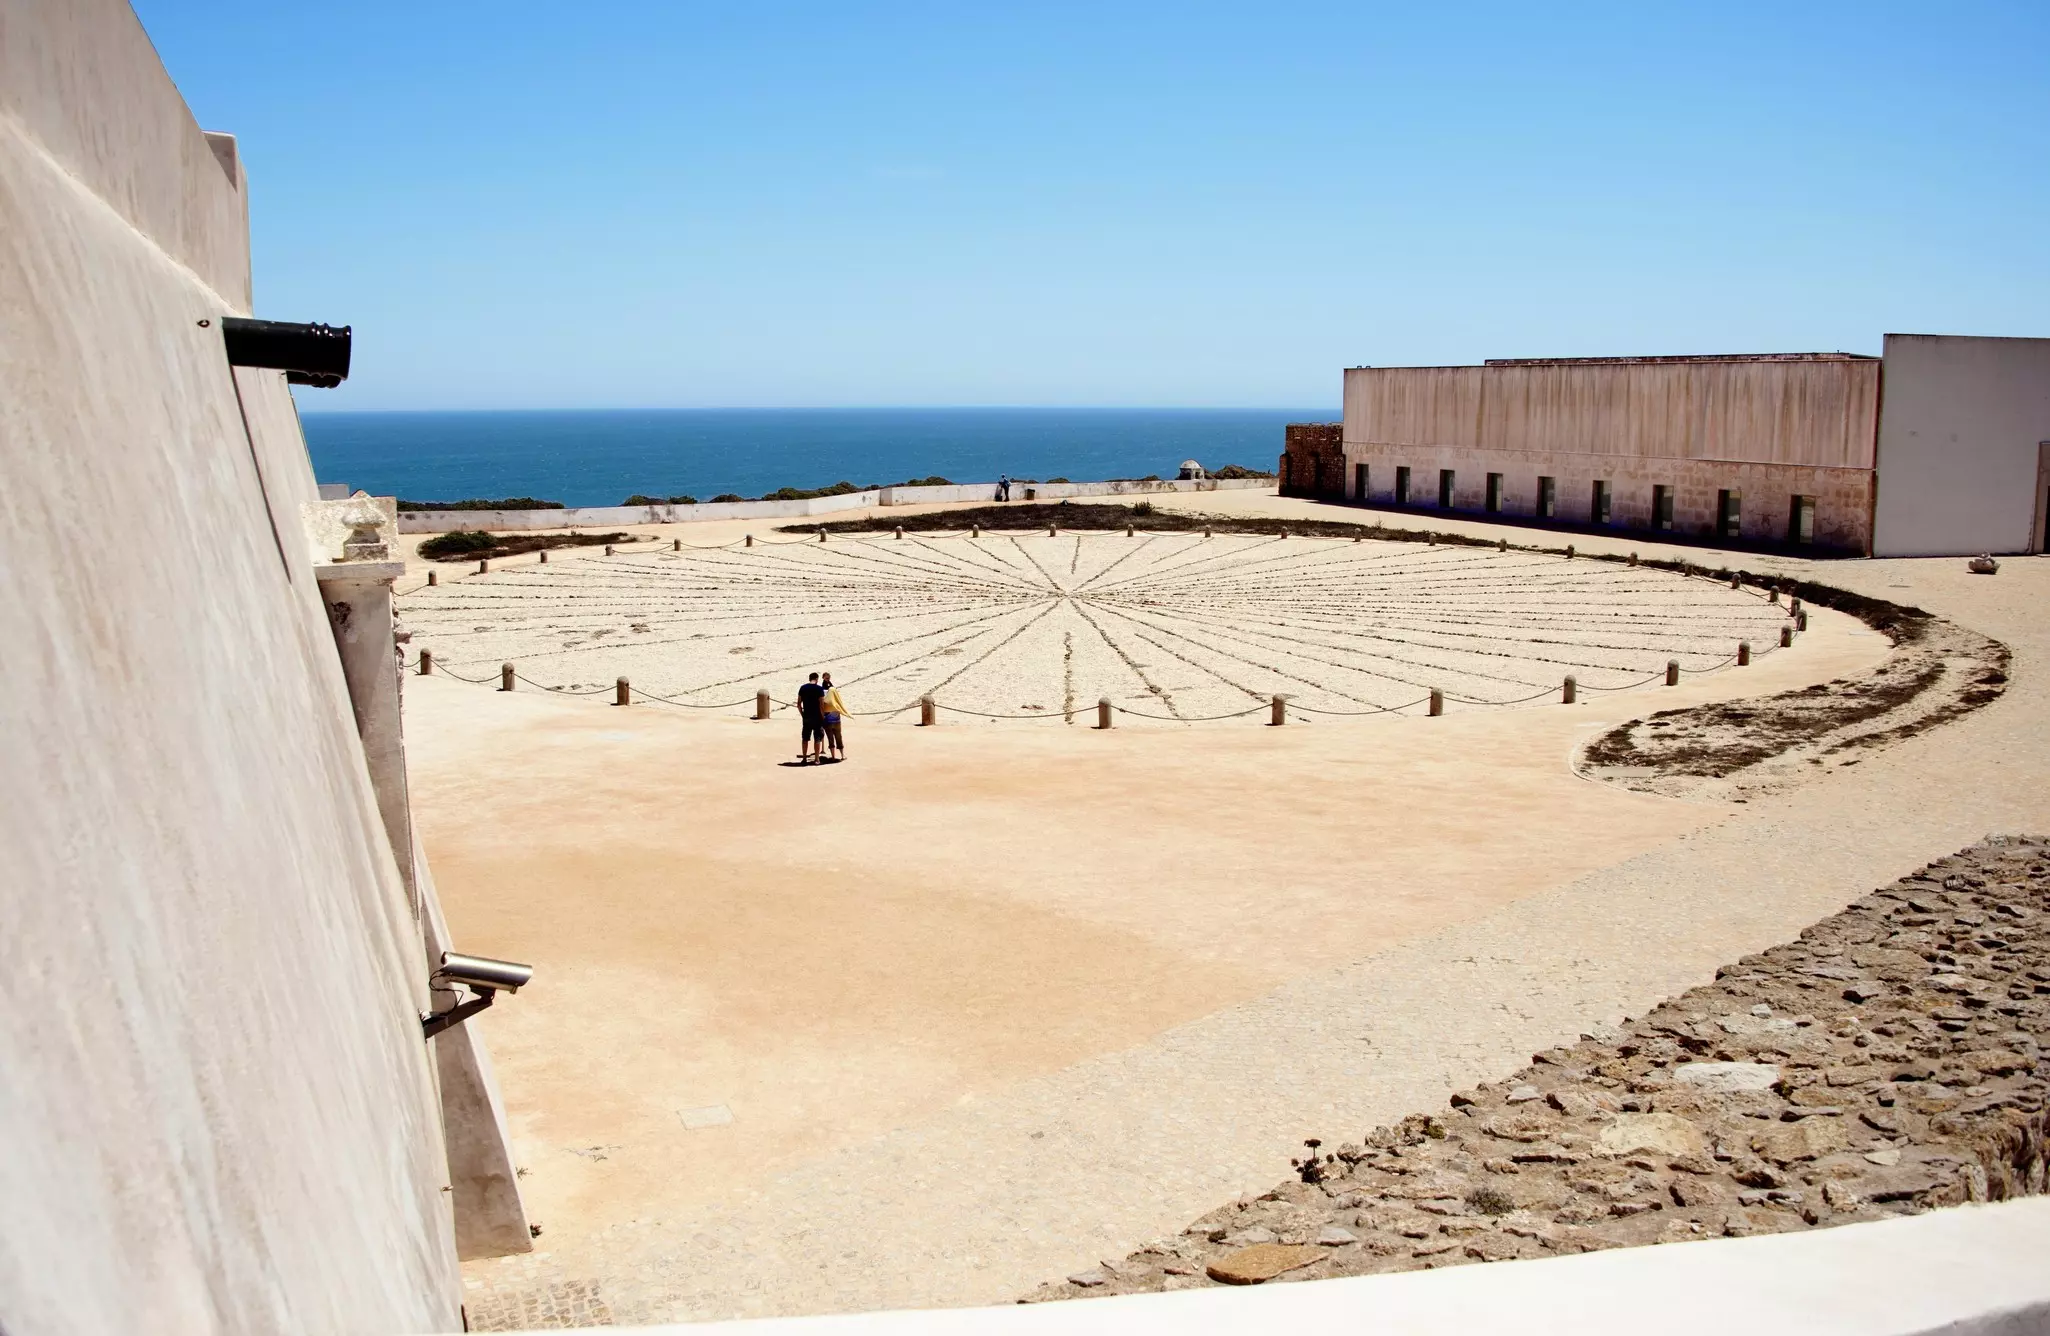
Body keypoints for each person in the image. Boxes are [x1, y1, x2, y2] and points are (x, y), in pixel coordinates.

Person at [796, 671, 826, 764]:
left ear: (810, 679)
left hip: (807, 716)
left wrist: (802, 715)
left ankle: (804, 758)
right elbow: (821, 705)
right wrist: (823, 716)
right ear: (817, 679)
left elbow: (798, 704)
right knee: (817, 738)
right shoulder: (819, 689)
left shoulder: (803, 688)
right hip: (817, 717)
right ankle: (817, 759)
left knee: (805, 738)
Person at [819, 672, 848, 762]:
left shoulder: (823, 693)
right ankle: (842, 755)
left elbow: (821, 705)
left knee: (831, 739)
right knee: (838, 737)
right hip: (836, 720)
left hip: (828, 720)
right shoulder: (834, 693)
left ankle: (833, 756)